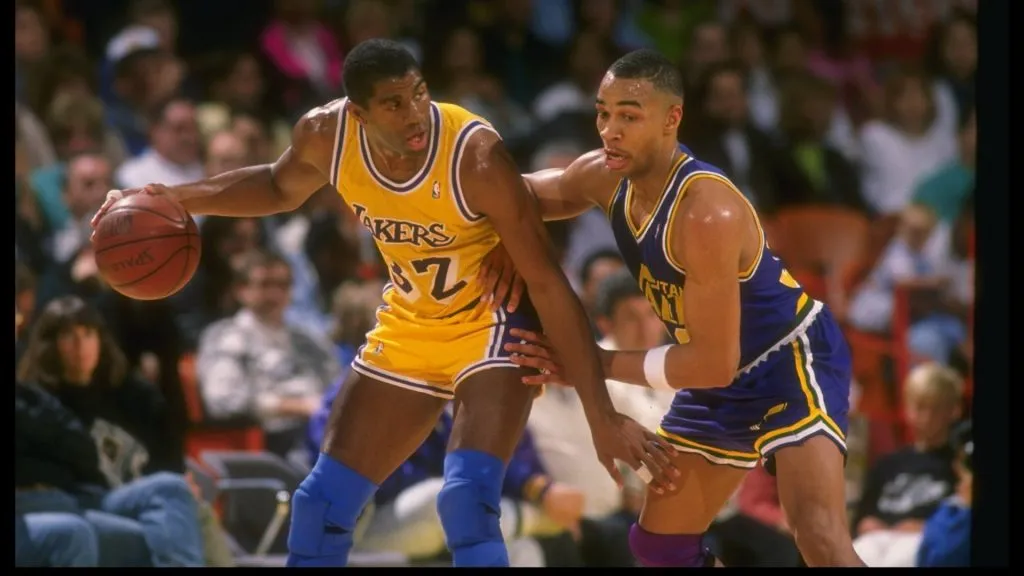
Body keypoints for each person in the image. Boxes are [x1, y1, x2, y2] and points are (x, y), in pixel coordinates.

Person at [91, 39, 677, 568]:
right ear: (358, 112)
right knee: (319, 505)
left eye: (419, 93)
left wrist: (600, 415)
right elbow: (274, 185)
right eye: (394, 103)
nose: (415, 112)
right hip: (412, 321)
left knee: (466, 504)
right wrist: (176, 197)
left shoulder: (472, 153)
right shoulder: (326, 134)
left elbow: (549, 282)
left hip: (492, 325)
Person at [486, 49, 863, 567]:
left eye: (629, 115)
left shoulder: (706, 212)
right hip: (719, 371)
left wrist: (589, 361)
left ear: (672, 119)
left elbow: (711, 363)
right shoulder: (603, 175)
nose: (610, 130)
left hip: (788, 362)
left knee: (817, 535)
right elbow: (513, 196)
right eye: (603, 113)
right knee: (659, 545)